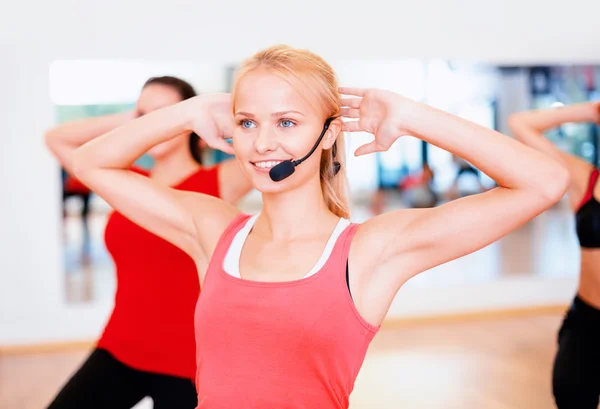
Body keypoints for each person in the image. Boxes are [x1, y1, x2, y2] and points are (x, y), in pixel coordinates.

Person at [70, 45, 568, 409]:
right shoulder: (214, 229)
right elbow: (92, 164)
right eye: (247, 123)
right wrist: (186, 112)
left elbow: (544, 182)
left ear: (328, 134)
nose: (263, 143)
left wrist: (412, 115)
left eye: (287, 122)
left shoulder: (369, 251)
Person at [44, 76, 253, 409]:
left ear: (190, 119)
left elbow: (276, 144)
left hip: (191, 362)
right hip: (121, 347)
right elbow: (57, 139)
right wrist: (137, 119)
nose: (152, 120)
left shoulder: (221, 180)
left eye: (164, 112)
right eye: (145, 113)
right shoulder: (124, 181)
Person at [509, 102, 600, 409]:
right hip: (586, 318)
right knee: (570, 395)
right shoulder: (585, 179)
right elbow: (520, 123)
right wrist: (590, 111)